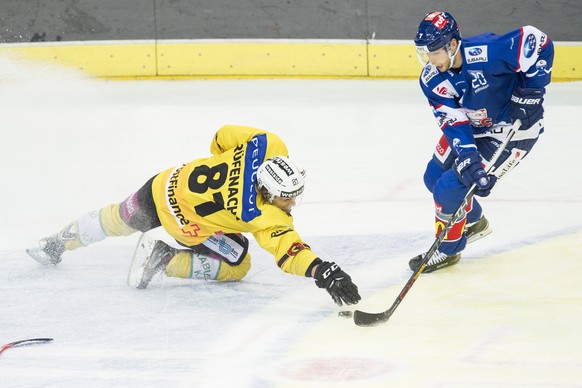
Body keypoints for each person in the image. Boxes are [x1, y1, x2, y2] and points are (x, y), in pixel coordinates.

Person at [27, 124, 361, 307]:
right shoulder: (266, 215)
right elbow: (289, 253)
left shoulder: (266, 145)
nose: (292, 205)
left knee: (118, 217)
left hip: (162, 184)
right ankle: (166, 259)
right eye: (287, 199)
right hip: (184, 225)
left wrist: (226, 168)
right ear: (269, 193)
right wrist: (323, 271)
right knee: (239, 263)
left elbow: (221, 136)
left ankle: (56, 243)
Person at [410, 11, 554, 272]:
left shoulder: (487, 52)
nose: (431, 61)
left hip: (513, 129)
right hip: (475, 126)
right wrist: (469, 158)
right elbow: (453, 122)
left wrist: (533, 90)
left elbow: (538, 40)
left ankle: (448, 251)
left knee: (448, 189)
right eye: (426, 54)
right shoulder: (431, 79)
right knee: (432, 177)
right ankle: (474, 222)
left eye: (435, 52)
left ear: (453, 44)